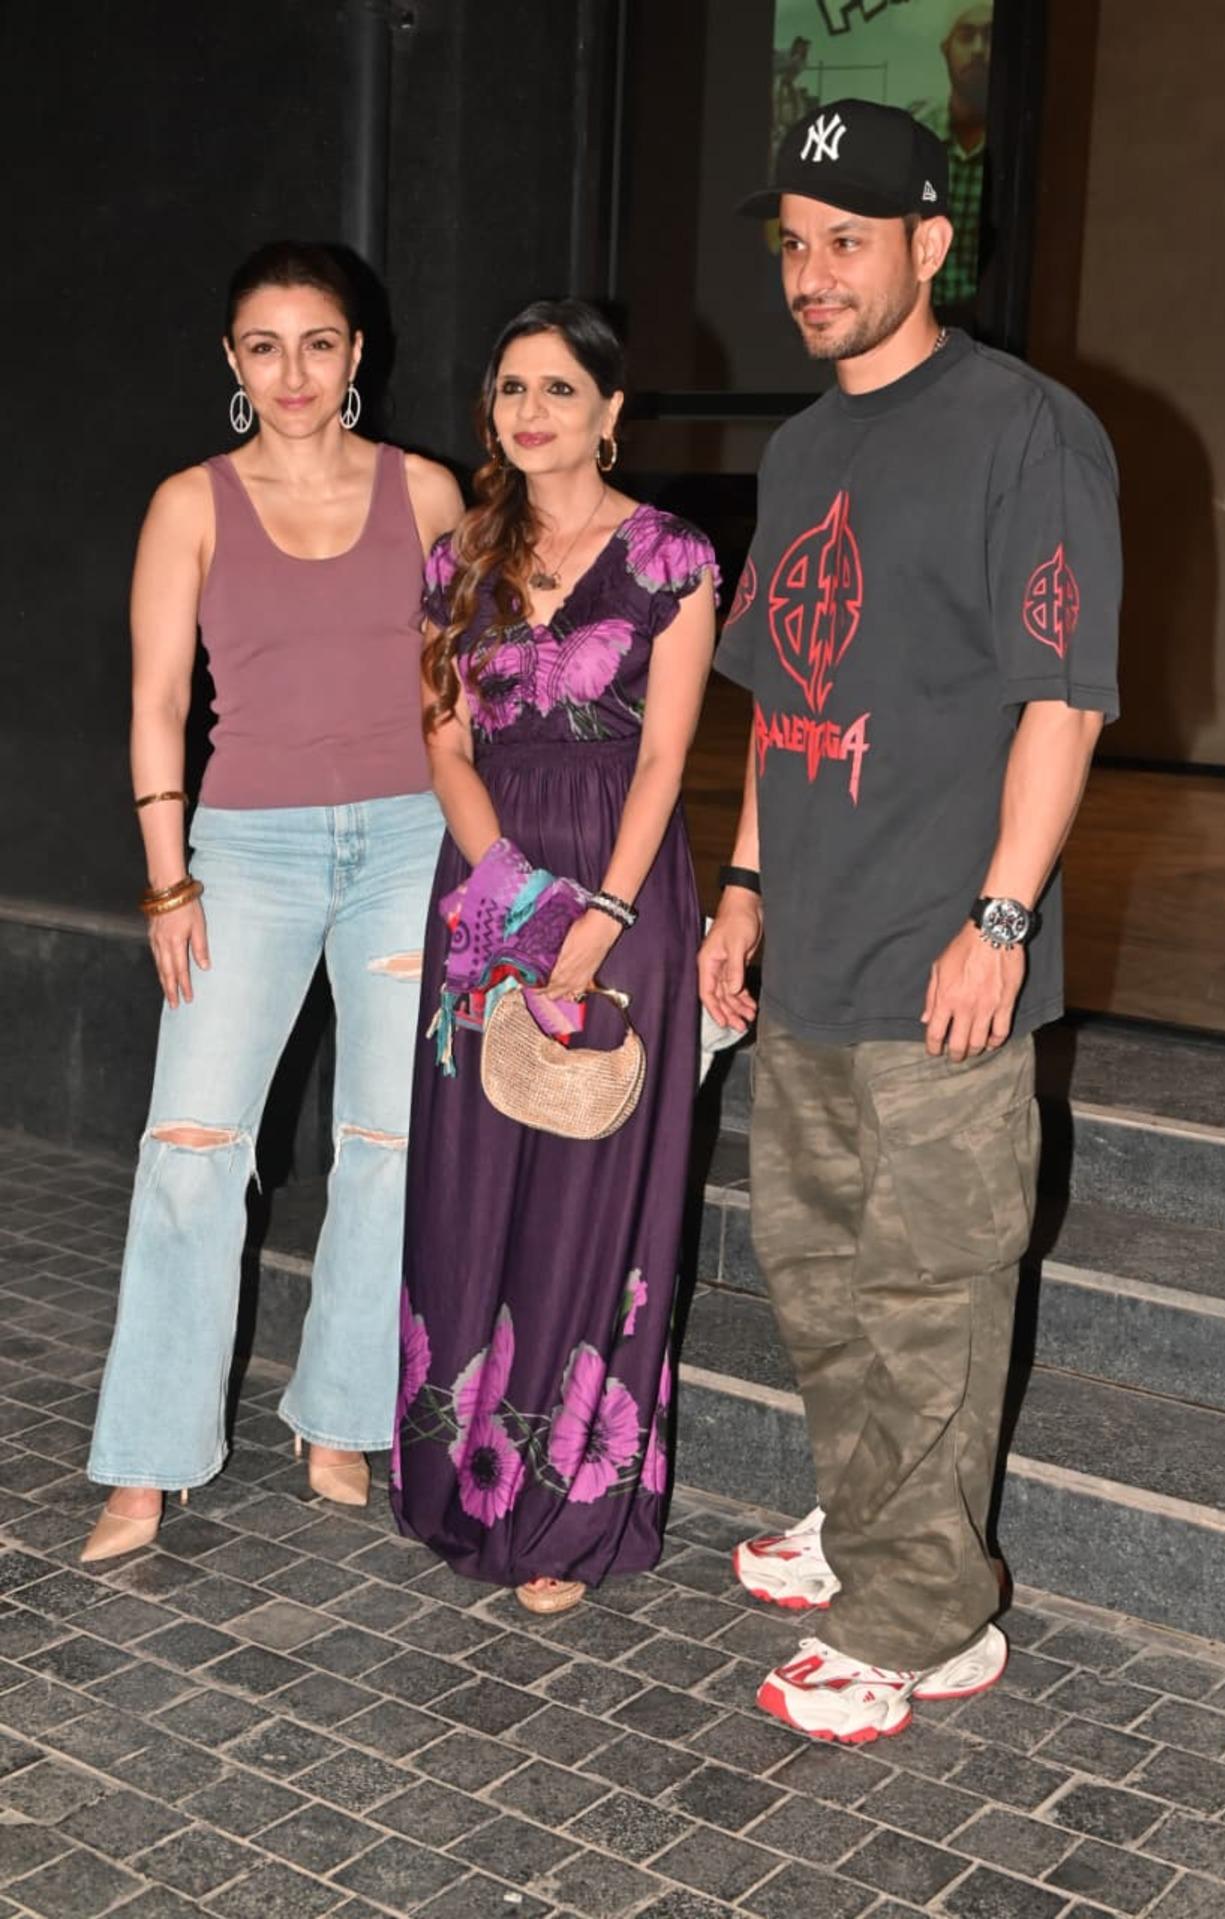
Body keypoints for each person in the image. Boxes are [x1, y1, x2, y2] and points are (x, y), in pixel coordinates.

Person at [699, 98, 1120, 1743]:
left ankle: (929, 1614)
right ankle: (870, 1513)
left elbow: (1064, 704)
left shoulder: (1027, 431)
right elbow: (773, 691)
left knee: (931, 1288)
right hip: (811, 942)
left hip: (948, 957)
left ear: (930, 245)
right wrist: (740, 887)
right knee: (818, 1272)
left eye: (847, 243)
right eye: (795, 246)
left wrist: (1001, 917)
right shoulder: (802, 448)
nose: (813, 275)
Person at [81, 241, 462, 1561]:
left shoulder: (428, 493)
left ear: (359, 355)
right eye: (264, 345)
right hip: (244, 848)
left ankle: (341, 1411)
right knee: (191, 1151)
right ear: (233, 364)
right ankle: (148, 1452)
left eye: (318, 343)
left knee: (390, 1145)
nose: (292, 372)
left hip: (412, 840)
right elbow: (156, 706)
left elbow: (460, 697)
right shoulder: (190, 501)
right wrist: (167, 874)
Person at [392, 299, 717, 1615]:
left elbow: (666, 757)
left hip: (624, 886)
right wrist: (513, 901)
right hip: (486, 881)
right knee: (475, 1170)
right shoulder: (453, 556)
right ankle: (459, 1475)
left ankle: (566, 1511)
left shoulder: (672, 558)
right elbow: (445, 744)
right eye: (513, 388)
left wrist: (599, 920)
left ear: (610, 410)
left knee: (589, 1180)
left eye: (562, 390)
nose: (534, 412)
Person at [908, 2, 993, 311]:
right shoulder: (913, 138)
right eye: (967, 36)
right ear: (946, 49)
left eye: (990, 36)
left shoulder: (1024, 149)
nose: (978, 50)